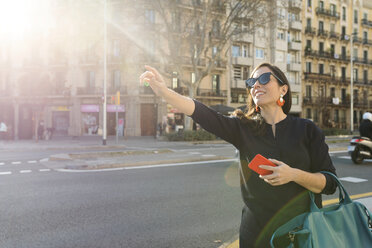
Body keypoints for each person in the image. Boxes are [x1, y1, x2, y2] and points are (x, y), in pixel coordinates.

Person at [140, 63, 337, 247]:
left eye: (264, 79)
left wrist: (293, 174)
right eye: (251, 82)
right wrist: (164, 92)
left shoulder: (307, 130)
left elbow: (330, 183)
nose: (256, 85)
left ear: (283, 89)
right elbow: (200, 112)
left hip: (303, 233)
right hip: (257, 235)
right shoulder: (243, 128)